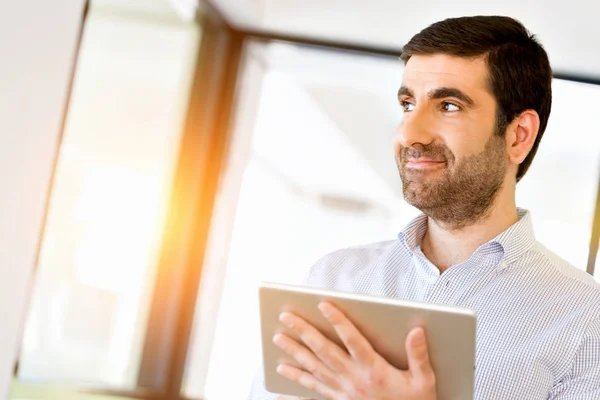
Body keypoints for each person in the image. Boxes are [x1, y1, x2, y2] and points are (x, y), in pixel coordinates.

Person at [247, 15, 600, 400]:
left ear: (518, 135)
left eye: (448, 105)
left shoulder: (585, 319)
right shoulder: (333, 279)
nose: (409, 133)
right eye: (407, 103)